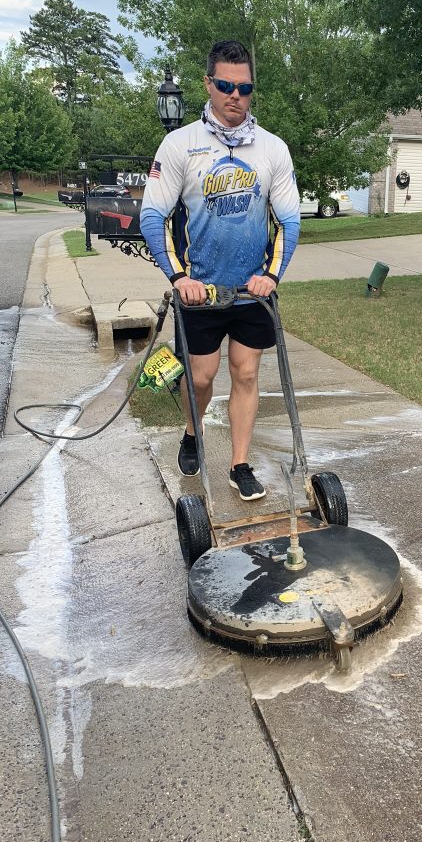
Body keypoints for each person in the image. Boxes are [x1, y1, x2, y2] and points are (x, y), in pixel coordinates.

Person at [140, 40, 300, 500]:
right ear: (209, 83)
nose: (236, 96)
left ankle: (240, 464)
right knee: (202, 377)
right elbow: (154, 217)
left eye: (244, 87)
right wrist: (179, 278)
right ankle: (193, 432)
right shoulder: (179, 145)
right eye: (226, 85)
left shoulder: (272, 150)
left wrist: (270, 275)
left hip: (252, 292)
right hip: (200, 293)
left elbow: (288, 220)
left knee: (246, 375)